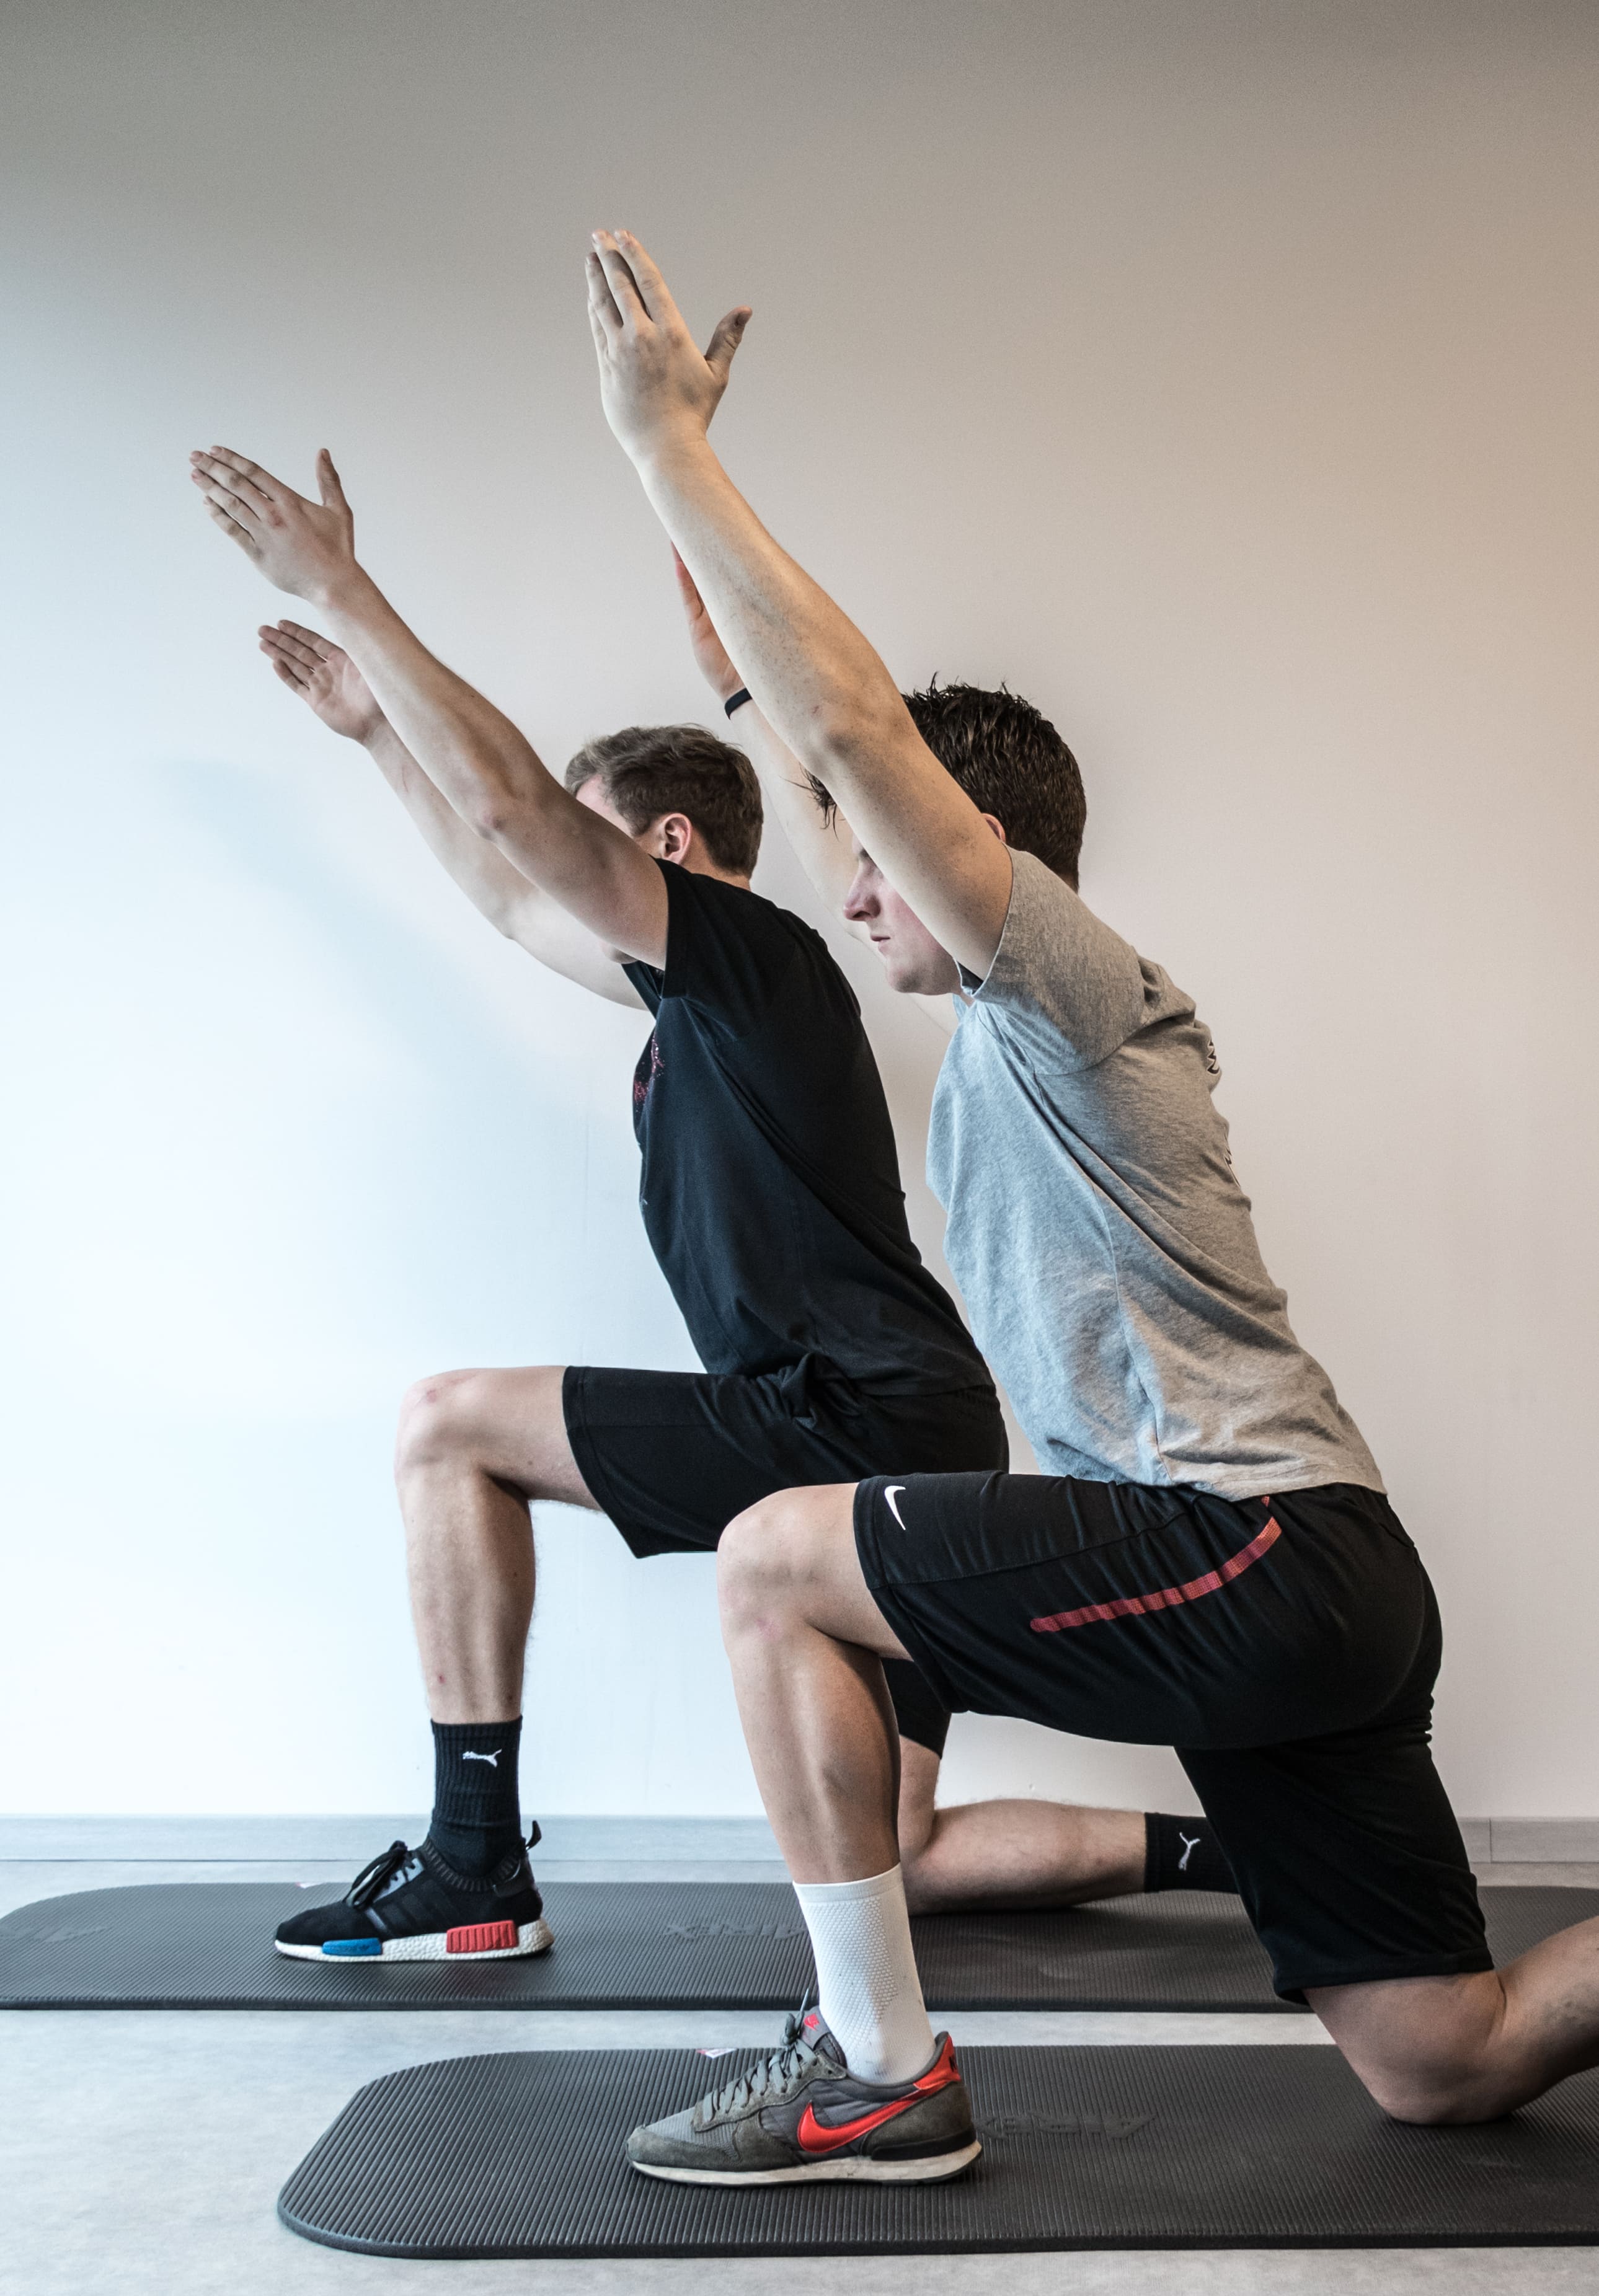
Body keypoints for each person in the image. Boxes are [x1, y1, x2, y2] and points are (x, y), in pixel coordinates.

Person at [580, 228, 1599, 2184]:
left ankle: (870, 2072)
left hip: (1253, 1551)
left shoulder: (1074, 993)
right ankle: (872, 2047)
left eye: (870, 863)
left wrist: (664, 459)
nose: (843, 888)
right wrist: (717, 601)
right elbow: (827, 761)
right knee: (1440, 2062)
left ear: (961, 858)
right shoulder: (998, 1028)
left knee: (776, 1553)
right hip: (1323, 1585)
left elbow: (866, 759)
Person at [187, 441, 1225, 1965]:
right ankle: (1237, 1844)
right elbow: (508, 885)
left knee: (444, 1425)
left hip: (842, 1411)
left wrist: (348, 590)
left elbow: (517, 820)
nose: (561, 864)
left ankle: (474, 1856)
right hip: (909, 1419)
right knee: (901, 1855)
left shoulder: (754, 958)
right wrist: (374, 740)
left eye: (595, 836)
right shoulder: (701, 1009)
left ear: (668, 846)